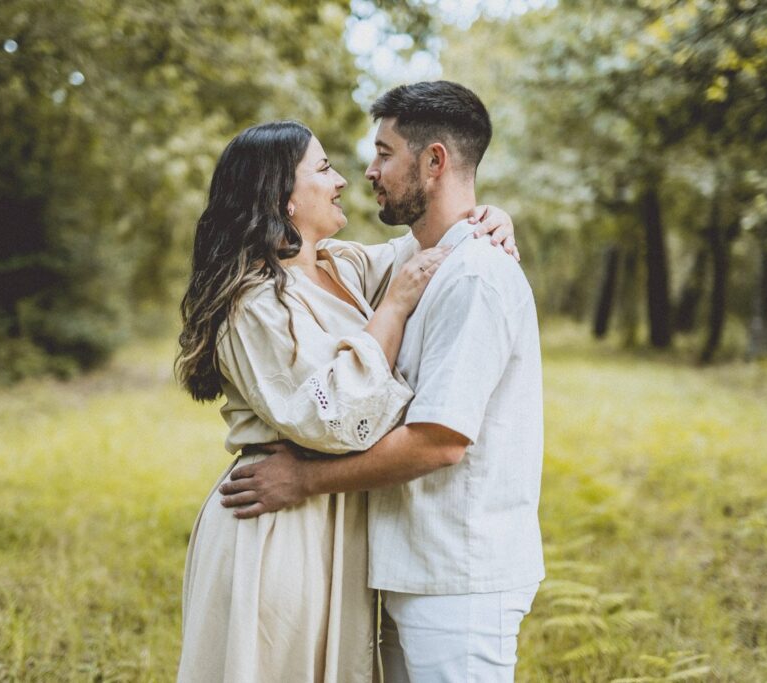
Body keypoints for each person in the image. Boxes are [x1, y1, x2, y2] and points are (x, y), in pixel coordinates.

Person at [219, 81, 545, 682]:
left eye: (384, 153)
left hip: (454, 570)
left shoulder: (465, 276)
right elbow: (328, 402)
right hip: (381, 558)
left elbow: (440, 441)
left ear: (435, 160)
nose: (360, 173)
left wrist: (488, 218)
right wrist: (477, 221)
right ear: (282, 197)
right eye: (327, 167)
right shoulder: (378, 273)